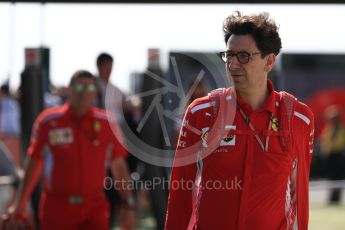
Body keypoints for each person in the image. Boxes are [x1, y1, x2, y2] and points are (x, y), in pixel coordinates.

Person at [165, 11, 314, 230]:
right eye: (229, 55)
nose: (233, 64)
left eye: (244, 56)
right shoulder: (201, 112)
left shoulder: (298, 118)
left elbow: (299, 197)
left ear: (269, 61)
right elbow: (180, 193)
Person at [3, 70, 136, 230]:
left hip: (94, 207)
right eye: (79, 88)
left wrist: (128, 203)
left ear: (96, 93)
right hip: (57, 207)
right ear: (70, 89)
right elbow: (33, 162)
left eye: (90, 89)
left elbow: (119, 166)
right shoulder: (49, 121)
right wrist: (20, 204)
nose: (84, 93)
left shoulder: (107, 122)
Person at [319, 105, 345, 204]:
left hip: (337, 157)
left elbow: (339, 143)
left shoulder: (340, 129)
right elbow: (324, 140)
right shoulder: (329, 128)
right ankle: (332, 198)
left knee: (337, 177)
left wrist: (329, 146)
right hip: (330, 157)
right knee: (331, 178)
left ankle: (336, 198)